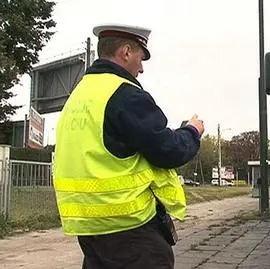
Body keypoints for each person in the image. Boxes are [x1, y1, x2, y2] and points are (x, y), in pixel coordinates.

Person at [52, 23, 204, 269]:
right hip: (130, 230)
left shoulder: (78, 96)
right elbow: (168, 150)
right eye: (140, 58)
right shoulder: (124, 94)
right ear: (125, 52)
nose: (141, 68)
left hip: (90, 231)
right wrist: (192, 130)